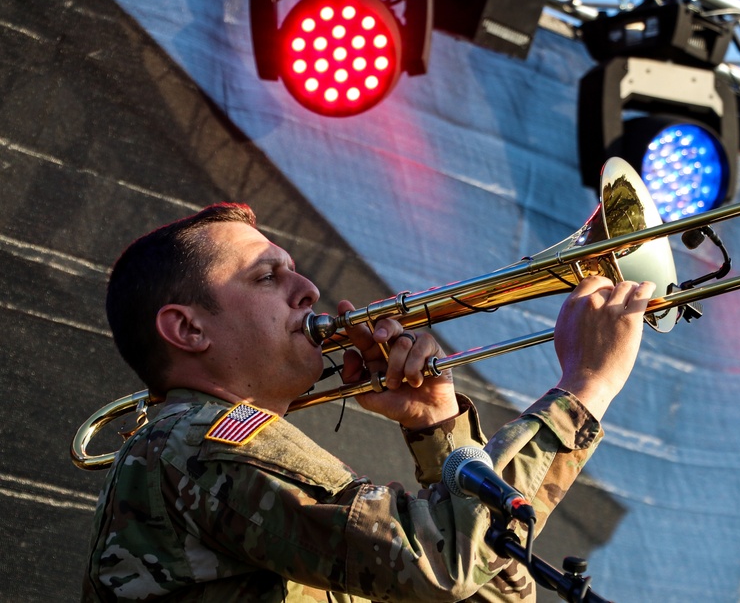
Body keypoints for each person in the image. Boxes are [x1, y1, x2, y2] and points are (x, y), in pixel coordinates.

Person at [82, 203, 653, 602]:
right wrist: (585, 388)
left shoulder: (206, 446)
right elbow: (441, 564)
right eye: (266, 277)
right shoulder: (200, 440)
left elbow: (482, 589)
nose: (306, 287)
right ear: (188, 329)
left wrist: (441, 432)